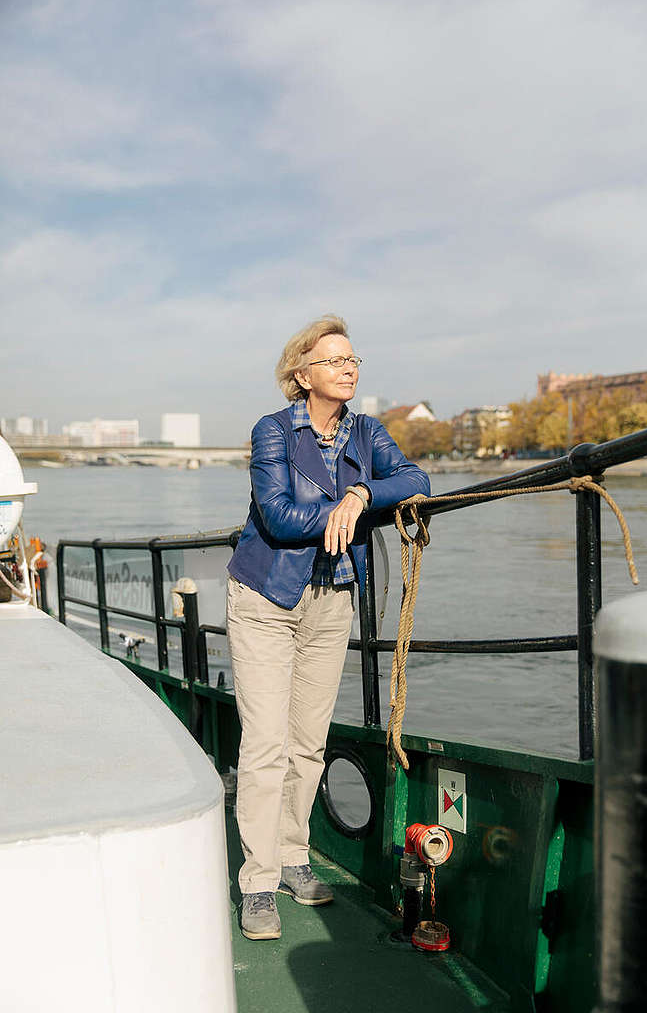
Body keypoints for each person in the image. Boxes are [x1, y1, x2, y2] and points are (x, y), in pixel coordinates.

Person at [227, 314, 430, 940]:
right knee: (265, 747)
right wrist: (338, 508)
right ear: (302, 373)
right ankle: (258, 883)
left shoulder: (367, 433)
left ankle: (292, 857)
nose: (349, 367)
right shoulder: (271, 432)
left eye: (354, 359)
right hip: (267, 597)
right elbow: (282, 519)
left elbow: (417, 479)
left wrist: (361, 495)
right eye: (335, 359)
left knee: (307, 743)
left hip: (331, 598)